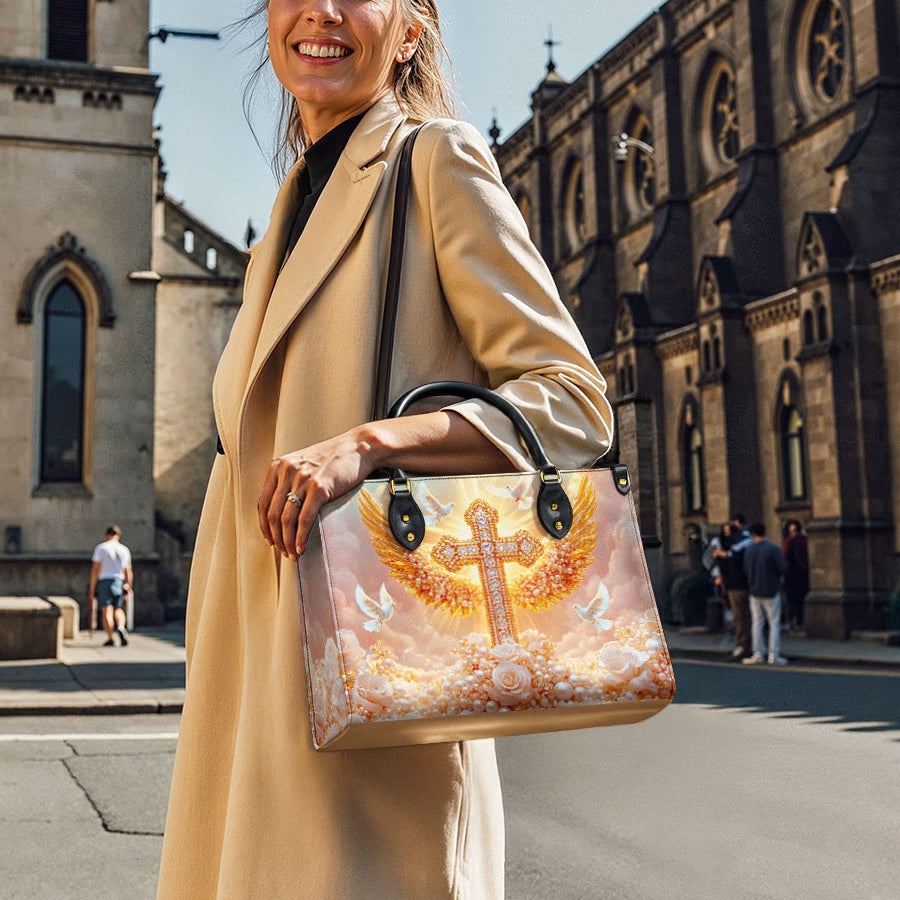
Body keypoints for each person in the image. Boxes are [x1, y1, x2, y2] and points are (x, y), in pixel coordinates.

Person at [156, 2, 613, 898]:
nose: (321, 12)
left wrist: (371, 443)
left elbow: (571, 401)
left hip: (374, 725)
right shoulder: (281, 223)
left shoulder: (435, 160)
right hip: (249, 712)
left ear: (408, 29)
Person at [742, 522, 788, 666]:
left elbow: (745, 569)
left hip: (754, 590)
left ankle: (758, 654)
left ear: (752, 534)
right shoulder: (772, 548)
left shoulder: (748, 550)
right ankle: (773, 655)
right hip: (771, 589)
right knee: (774, 623)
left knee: (757, 622)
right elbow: (783, 567)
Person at [713, 513, 753, 659]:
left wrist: (722, 555)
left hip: (738, 584)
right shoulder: (732, 543)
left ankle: (744, 645)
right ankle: (744, 644)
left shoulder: (741, 543)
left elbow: (733, 556)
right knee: (741, 616)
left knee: (740, 617)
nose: (726, 532)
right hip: (734, 583)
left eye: (729, 528)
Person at [89, 525, 132, 647]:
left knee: (107, 609)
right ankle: (121, 627)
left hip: (104, 580)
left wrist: (92, 587)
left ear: (107, 535)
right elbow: (128, 571)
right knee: (118, 608)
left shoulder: (101, 548)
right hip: (119, 581)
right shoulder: (124, 550)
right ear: (118, 535)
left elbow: (95, 569)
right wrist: (128, 585)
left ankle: (110, 637)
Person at [782, 519, 809, 631]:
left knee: (791, 599)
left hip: (792, 573)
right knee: (800, 598)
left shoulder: (790, 541)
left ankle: (793, 622)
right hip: (802, 572)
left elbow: (784, 556)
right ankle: (800, 621)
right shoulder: (804, 539)